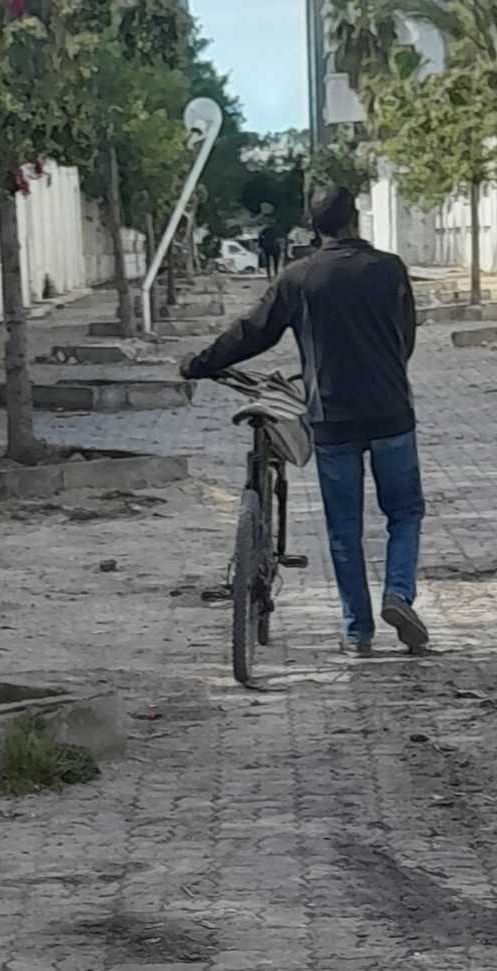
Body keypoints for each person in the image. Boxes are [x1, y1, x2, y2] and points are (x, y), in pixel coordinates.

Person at [181, 187, 427, 658]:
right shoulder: (390, 269)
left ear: (313, 227)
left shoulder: (299, 278)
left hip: (331, 417)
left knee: (343, 528)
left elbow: (253, 332)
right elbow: (405, 340)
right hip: (391, 410)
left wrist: (200, 363)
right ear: (355, 219)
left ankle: (358, 631)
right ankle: (398, 594)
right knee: (405, 511)